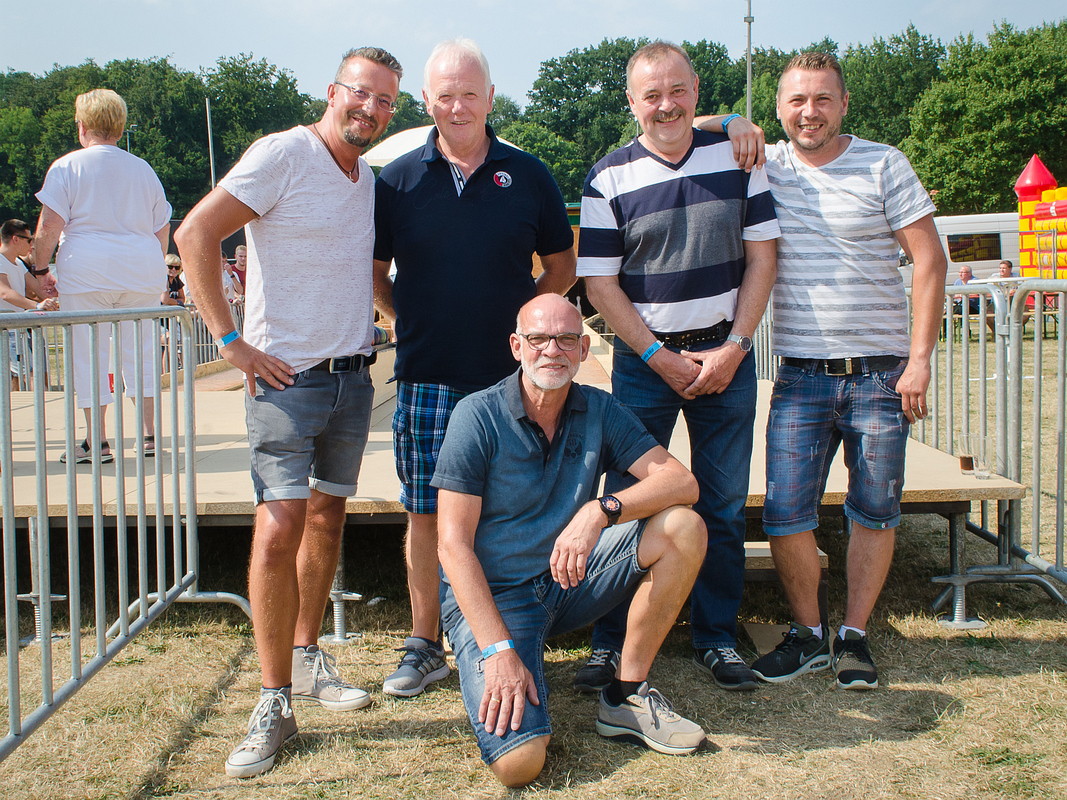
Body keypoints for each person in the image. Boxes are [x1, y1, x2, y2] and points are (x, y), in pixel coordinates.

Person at [174, 46, 403, 778]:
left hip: (352, 378)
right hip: (284, 379)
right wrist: (230, 343)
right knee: (278, 530)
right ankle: (273, 700)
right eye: (361, 93)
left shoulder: (367, 180)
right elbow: (194, 234)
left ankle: (306, 659)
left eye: (386, 101)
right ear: (333, 91)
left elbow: (363, 272)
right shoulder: (283, 154)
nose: (371, 109)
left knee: (328, 519)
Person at [702, 52, 947, 690]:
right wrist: (730, 120)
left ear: (843, 104)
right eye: (796, 101)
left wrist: (920, 360)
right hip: (801, 372)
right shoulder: (765, 164)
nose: (809, 112)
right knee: (786, 510)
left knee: (874, 509)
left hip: (880, 374)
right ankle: (809, 634)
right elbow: (672, 122)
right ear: (778, 108)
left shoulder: (884, 164)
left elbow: (929, 260)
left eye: (822, 99)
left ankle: (854, 636)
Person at [436, 294, 708, 788]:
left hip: (568, 577)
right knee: (519, 765)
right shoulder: (476, 416)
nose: (552, 351)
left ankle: (626, 694)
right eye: (538, 339)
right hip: (498, 597)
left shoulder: (598, 409)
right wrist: (498, 650)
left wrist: (599, 511)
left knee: (683, 527)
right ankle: (496, 657)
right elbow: (451, 545)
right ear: (516, 346)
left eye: (565, 339)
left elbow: (681, 483)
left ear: (584, 348)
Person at [373, 38, 576, 698]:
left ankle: (508, 627)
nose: (457, 106)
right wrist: (403, 318)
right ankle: (424, 641)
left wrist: (529, 324)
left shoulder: (529, 174)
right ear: (425, 100)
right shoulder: (397, 179)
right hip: (428, 375)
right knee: (426, 511)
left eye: (469, 93)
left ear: (490, 97)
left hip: (508, 379)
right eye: (444, 95)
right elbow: (374, 270)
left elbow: (562, 264)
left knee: (508, 505)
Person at [576, 41, 780, 693]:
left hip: (727, 354)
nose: (665, 106)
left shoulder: (739, 157)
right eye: (650, 95)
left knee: (722, 506)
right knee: (628, 500)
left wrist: (736, 347)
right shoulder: (607, 177)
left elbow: (763, 258)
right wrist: (656, 356)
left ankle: (716, 637)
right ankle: (609, 643)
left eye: (676, 90)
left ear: (695, 90)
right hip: (644, 362)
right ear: (630, 102)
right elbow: (600, 284)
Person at [33, 89, 169, 463]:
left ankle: (97, 442)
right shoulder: (143, 169)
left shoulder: (67, 167)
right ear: (121, 128)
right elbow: (161, 226)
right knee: (141, 351)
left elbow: (49, 226)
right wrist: (152, 265)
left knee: (89, 355)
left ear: (82, 127)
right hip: (140, 269)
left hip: (87, 269)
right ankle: (148, 435)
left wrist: (41, 270)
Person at [1, 220, 58, 387]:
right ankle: (41, 403)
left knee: (16, 379)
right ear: (15, 239)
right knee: (32, 375)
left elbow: (38, 288)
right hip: (7, 330)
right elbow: (5, 292)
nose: (31, 245)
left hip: (14, 330)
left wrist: (55, 295)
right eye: (28, 240)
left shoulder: (18, 263)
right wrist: (37, 306)